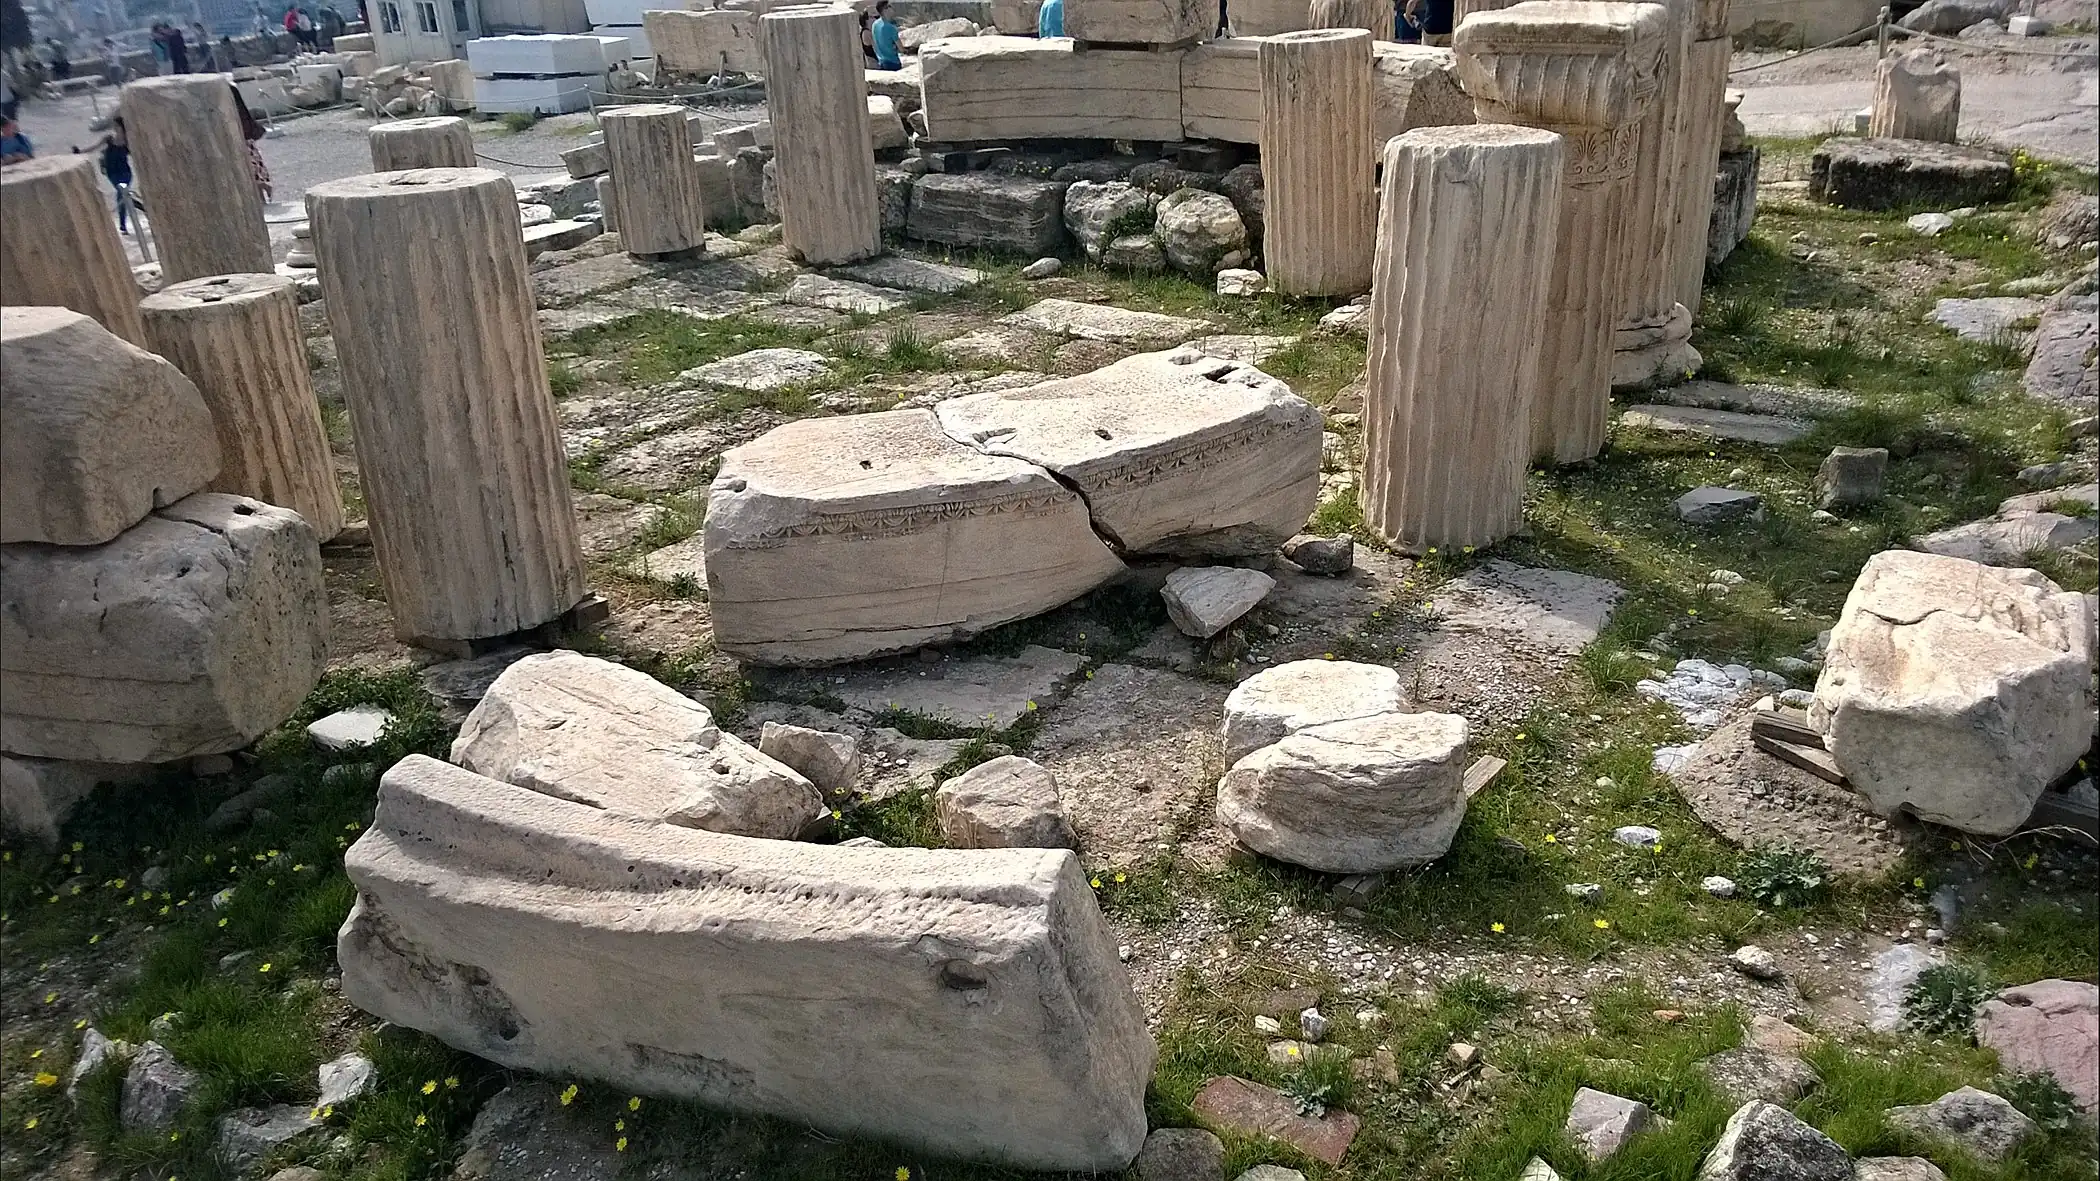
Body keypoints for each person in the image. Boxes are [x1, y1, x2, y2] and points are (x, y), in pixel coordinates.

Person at [75, 116, 132, 229]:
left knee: (121, 194)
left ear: (121, 127)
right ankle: (132, 213)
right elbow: (94, 147)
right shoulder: (109, 139)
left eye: (117, 126)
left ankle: (122, 224)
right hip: (112, 173)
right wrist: (79, 152)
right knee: (122, 194)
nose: (114, 128)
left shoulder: (127, 142)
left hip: (125, 172)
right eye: (114, 126)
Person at [233, 84, 271, 200]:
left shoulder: (228, 89)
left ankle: (261, 196)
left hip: (240, 134)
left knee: (252, 165)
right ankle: (261, 195)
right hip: (240, 133)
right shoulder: (229, 88)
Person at [871, 0, 901, 69]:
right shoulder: (891, 27)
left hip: (881, 63)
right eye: (889, 6)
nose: (892, 8)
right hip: (893, 64)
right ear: (885, 10)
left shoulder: (874, 25)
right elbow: (901, 49)